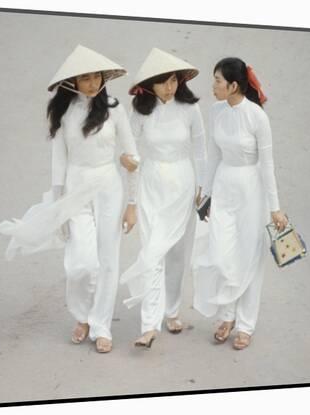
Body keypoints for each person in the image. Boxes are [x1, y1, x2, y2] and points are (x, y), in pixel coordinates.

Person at [0, 45, 139, 353]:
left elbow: (131, 156)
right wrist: (57, 204)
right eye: (85, 78)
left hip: (109, 187)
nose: (92, 83)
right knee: (81, 264)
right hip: (76, 188)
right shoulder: (64, 112)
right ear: (71, 82)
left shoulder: (114, 108)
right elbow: (58, 161)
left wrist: (132, 203)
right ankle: (82, 315)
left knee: (108, 260)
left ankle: (100, 324)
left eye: (96, 76)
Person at [193, 57, 288, 350]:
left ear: (234, 85)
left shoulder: (257, 117)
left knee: (249, 256)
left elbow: (267, 165)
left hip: (251, 192)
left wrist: (274, 207)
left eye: (218, 81)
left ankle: (244, 323)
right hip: (223, 187)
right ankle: (226, 314)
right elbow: (213, 155)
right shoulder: (216, 111)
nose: (213, 86)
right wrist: (204, 193)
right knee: (222, 253)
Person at [118, 48, 206, 348]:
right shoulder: (141, 112)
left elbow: (200, 150)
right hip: (151, 184)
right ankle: (149, 325)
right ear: (149, 85)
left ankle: (171, 311)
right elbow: (131, 153)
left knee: (178, 254)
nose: (171, 87)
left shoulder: (190, 109)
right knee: (152, 251)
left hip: (183, 183)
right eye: (164, 82)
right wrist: (130, 192)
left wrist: (202, 188)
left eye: (174, 81)